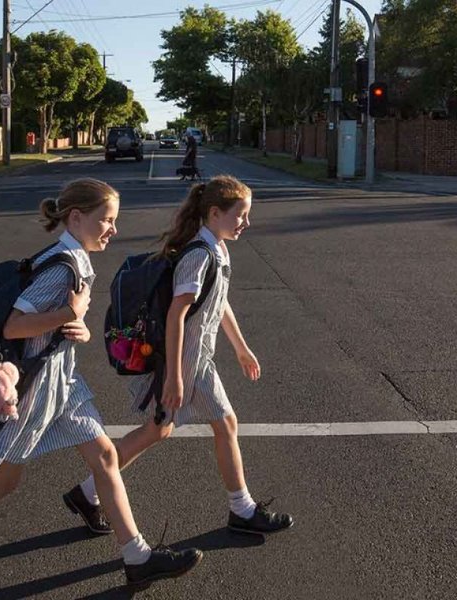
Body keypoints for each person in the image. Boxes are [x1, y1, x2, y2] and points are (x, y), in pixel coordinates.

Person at [0, 178, 203, 599]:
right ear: (77, 217)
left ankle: (137, 558)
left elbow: (45, 324)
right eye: (107, 220)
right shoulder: (63, 263)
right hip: (35, 387)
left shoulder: (75, 257)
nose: (113, 230)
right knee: (3, 481)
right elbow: (13, 324)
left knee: (103, 456)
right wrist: (69, 311)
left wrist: (71, 325)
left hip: (63, 379)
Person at [64, 175, 294, 539]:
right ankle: (242, 508)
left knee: (158, 430)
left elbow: (219, 303)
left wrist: (241, 347)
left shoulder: (217, 248)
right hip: (188, 362)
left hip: (194, 359)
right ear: (215, 213)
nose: (246, 223)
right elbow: (176, 314)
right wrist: (173, 376)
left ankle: (86, 492)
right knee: (226, 424)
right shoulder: (198, 255)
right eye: (241, 215)